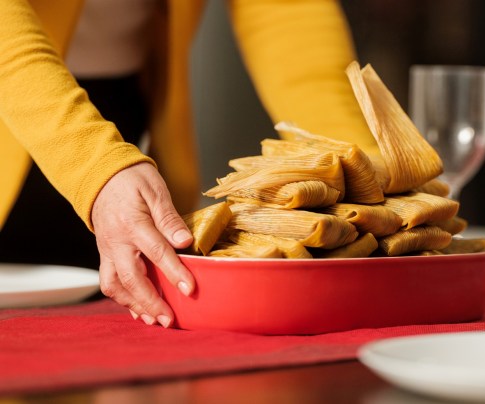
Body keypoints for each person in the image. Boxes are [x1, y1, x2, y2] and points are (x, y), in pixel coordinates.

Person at [0, 0, 377, 328]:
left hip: (115, 115)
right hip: (41, 117)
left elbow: (287, 13)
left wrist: (357, 163)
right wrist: (94, 164)